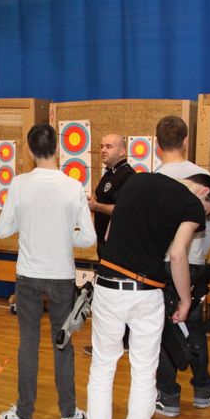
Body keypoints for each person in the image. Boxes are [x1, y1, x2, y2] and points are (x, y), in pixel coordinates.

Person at [81, 172, 210, 419]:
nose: (200, 218)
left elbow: (109, 235)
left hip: (107, 285)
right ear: (204, 192)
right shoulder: (190, 204)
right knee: (144, 371)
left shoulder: (136, 181)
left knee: (102, 366)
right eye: (205, 212)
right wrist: (185, 301)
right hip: (146, 292)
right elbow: (178, 254)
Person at [0, 124, 96, 419]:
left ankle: (24, 414)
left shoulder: (19, 184)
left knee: (28, 343)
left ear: (29, 150)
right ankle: (68, 412)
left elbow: (2, 229)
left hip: (27, 276)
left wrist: (29, 226)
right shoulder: (73, 186)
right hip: (62, 277)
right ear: (58, 148)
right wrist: (63, 235)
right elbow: (89, 238)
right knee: (62, 342)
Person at [153, 115, 210, 415]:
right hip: (190, 264)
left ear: (158, 145)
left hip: (160, 265)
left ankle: (168, 396)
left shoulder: (153, 180)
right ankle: (203, 390)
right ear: (185, 141)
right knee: (192, 326)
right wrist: (197, 258)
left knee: (164, 329)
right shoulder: (202, 178)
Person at [83, 133, 135, 356]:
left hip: (116, 248)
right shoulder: (110, 174)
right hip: (105, 245)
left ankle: (118, 342)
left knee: (114, 297)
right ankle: (114, 341)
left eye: (109, 146)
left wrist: (96, 207)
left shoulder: (127, 176)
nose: (103, 150)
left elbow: (123, 210)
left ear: (122, 151)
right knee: (109, 297)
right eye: (101, 146)